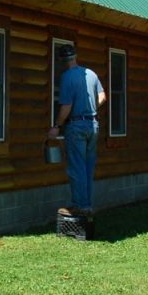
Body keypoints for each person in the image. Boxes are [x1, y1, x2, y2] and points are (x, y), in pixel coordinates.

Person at [48, 44, 106, 217]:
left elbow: (66, 106)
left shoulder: (67, 77)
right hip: (93, 125)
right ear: (75, 57)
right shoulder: (91, 74)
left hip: (76, 126)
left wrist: (56, 126)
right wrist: (91, 109)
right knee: (88, 167)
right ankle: (87, 205)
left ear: (63, 61)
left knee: (76, 167)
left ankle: (79, 206)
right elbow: (103, 97)